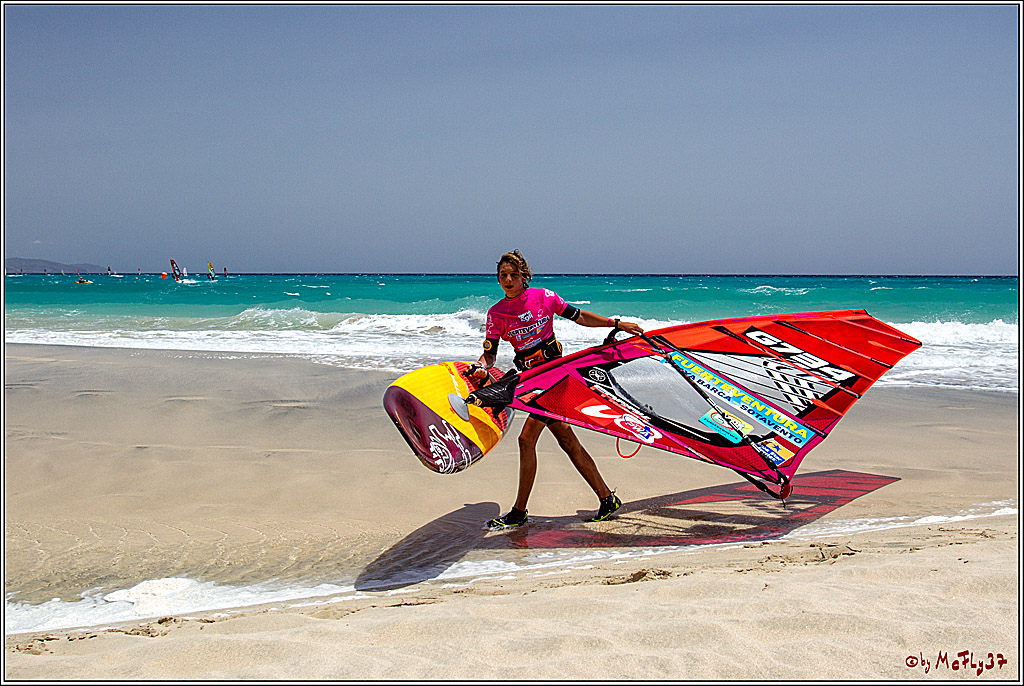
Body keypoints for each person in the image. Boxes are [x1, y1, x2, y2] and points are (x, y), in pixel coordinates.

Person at [471, 250, 645, 530]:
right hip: (531, 380)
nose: (508, 280)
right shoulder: (496, 314)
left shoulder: (545, 297)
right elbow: (490, 354)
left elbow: (580, 316)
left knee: (526, 439)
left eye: (514, 274)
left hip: (555, 376)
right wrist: (481, 366)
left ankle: (519, 512)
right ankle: (607, 499)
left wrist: (615, 323)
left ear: (525, 276)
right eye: (503, 275)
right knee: (567, 441)